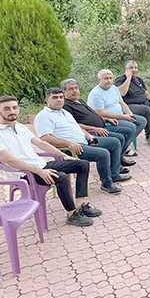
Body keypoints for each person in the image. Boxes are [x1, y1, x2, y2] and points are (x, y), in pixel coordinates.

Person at [0, 95, 101, 227]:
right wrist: (39, 171)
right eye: (6, 109)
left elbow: (40, 143)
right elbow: (10, 160)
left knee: (82, 164)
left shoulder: (20, 127)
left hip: (41, 165)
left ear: (18, 109)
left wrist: (63, 155)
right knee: (61, 177)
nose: (12, 111)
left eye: (14, 108)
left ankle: (81, 205)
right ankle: (72, 214)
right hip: (24, 174)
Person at [35, 88, 129, 194]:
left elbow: (77, 126)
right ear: (47, 100)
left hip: (85, 141)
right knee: (103, 153)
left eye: (61, 97)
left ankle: (114, 174)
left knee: (114, 142)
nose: (59, 100)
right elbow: (45, 138)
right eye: (55, 97)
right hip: (70, 148)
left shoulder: (64, 112)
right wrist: (69, 144)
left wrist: (88, 135)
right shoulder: (44, 116)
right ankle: (107, 184)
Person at [61, 79, 136, 168]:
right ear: (64, 92)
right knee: (119, 138)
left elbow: (92, 115)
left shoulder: (79, 101)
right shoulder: (66, 106)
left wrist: (106, 119)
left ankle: (118, 159)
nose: (74, 91)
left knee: (128, 131)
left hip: (103, 125)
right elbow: (74, 124)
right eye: (70, 89)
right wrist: (95, 128)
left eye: (76, 88)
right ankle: (115, 167)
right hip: (92, 132)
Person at [87, 70, 147, 148]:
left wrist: (130, 114)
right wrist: (123, 117)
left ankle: (124, 146)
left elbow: (122, 103)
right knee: (131, 127)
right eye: (106, 78)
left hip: (121, 115)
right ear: (99, 80)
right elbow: (101, 113)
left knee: (142, 121)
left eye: (110, 78)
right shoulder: (96, 94)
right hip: (110, 119)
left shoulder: (114, 88)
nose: (109, 80)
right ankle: (122, 149)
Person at [115, 60, 150, 147]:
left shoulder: (139, 80)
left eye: (136, 68)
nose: (134, 70)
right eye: (131, 68)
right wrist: (128, 78)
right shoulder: (120, 80)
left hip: (143, 102)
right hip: (128, 106)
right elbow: (121, 93)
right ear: (126, 70)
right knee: (146, 110)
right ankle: (149, 134)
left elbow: (145, 93)